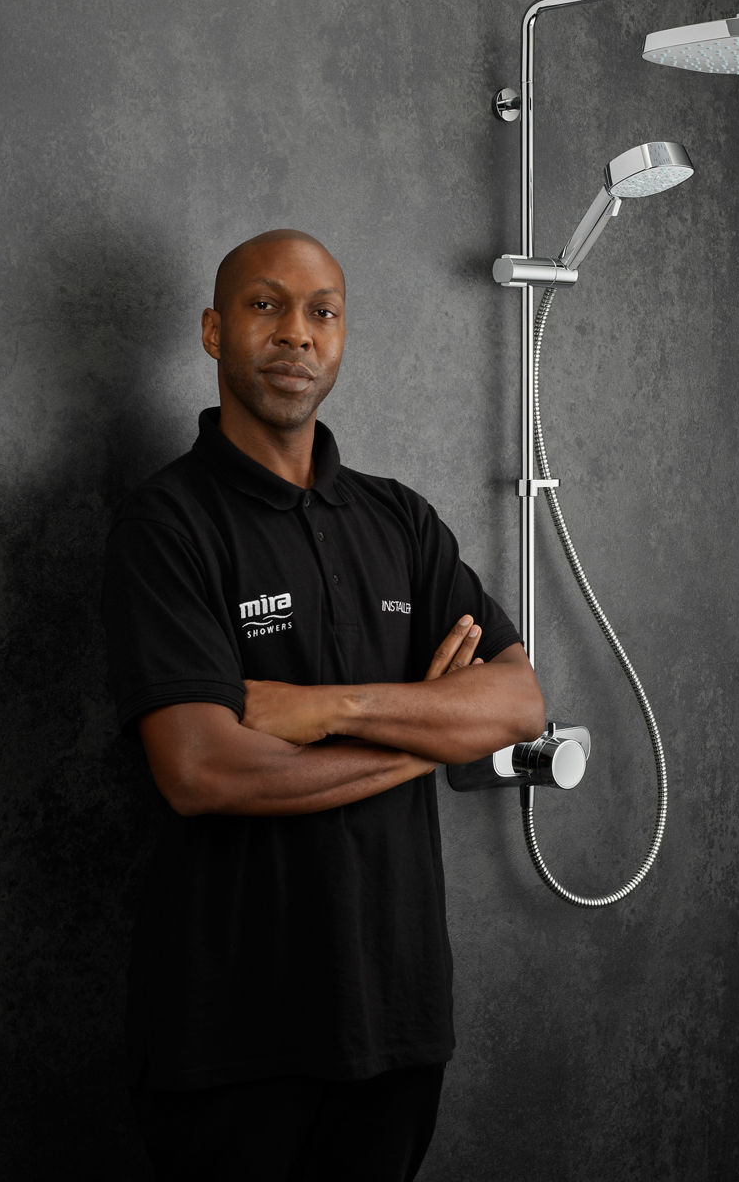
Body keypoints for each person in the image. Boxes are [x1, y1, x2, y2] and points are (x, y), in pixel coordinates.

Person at [101, 228, 545, 1181]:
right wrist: (427, 729)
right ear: (215, 332)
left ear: (342, 338)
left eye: (322, 312)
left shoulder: (400, 520)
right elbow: (202, 768)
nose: (296, 333)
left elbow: (517, 700)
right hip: (228, 1038)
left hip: (396, 1021)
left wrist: (323, 706)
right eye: (266, 306)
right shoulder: (167, 524)